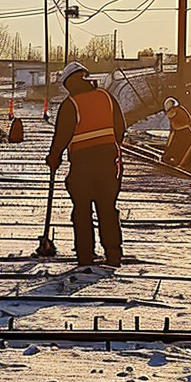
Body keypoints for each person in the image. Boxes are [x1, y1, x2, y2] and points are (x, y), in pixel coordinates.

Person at [46, 61, 127, 268]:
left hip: (82, 165)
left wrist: (54, 157)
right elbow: (120, 128)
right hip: (109, 163)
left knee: (81, 210)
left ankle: (85, 256)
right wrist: (110, 146)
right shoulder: (107, 97)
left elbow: (62, 136)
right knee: (107, 209)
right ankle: (113, 255)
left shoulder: (70, 104)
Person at [162, 96, 191, 169]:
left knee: (181, 161)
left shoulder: (179, 112)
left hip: (186, 138)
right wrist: (168, 145)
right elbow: (173, 131)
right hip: (179, 137)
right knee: (168, 156)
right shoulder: (174, 115)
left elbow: (184, 125)